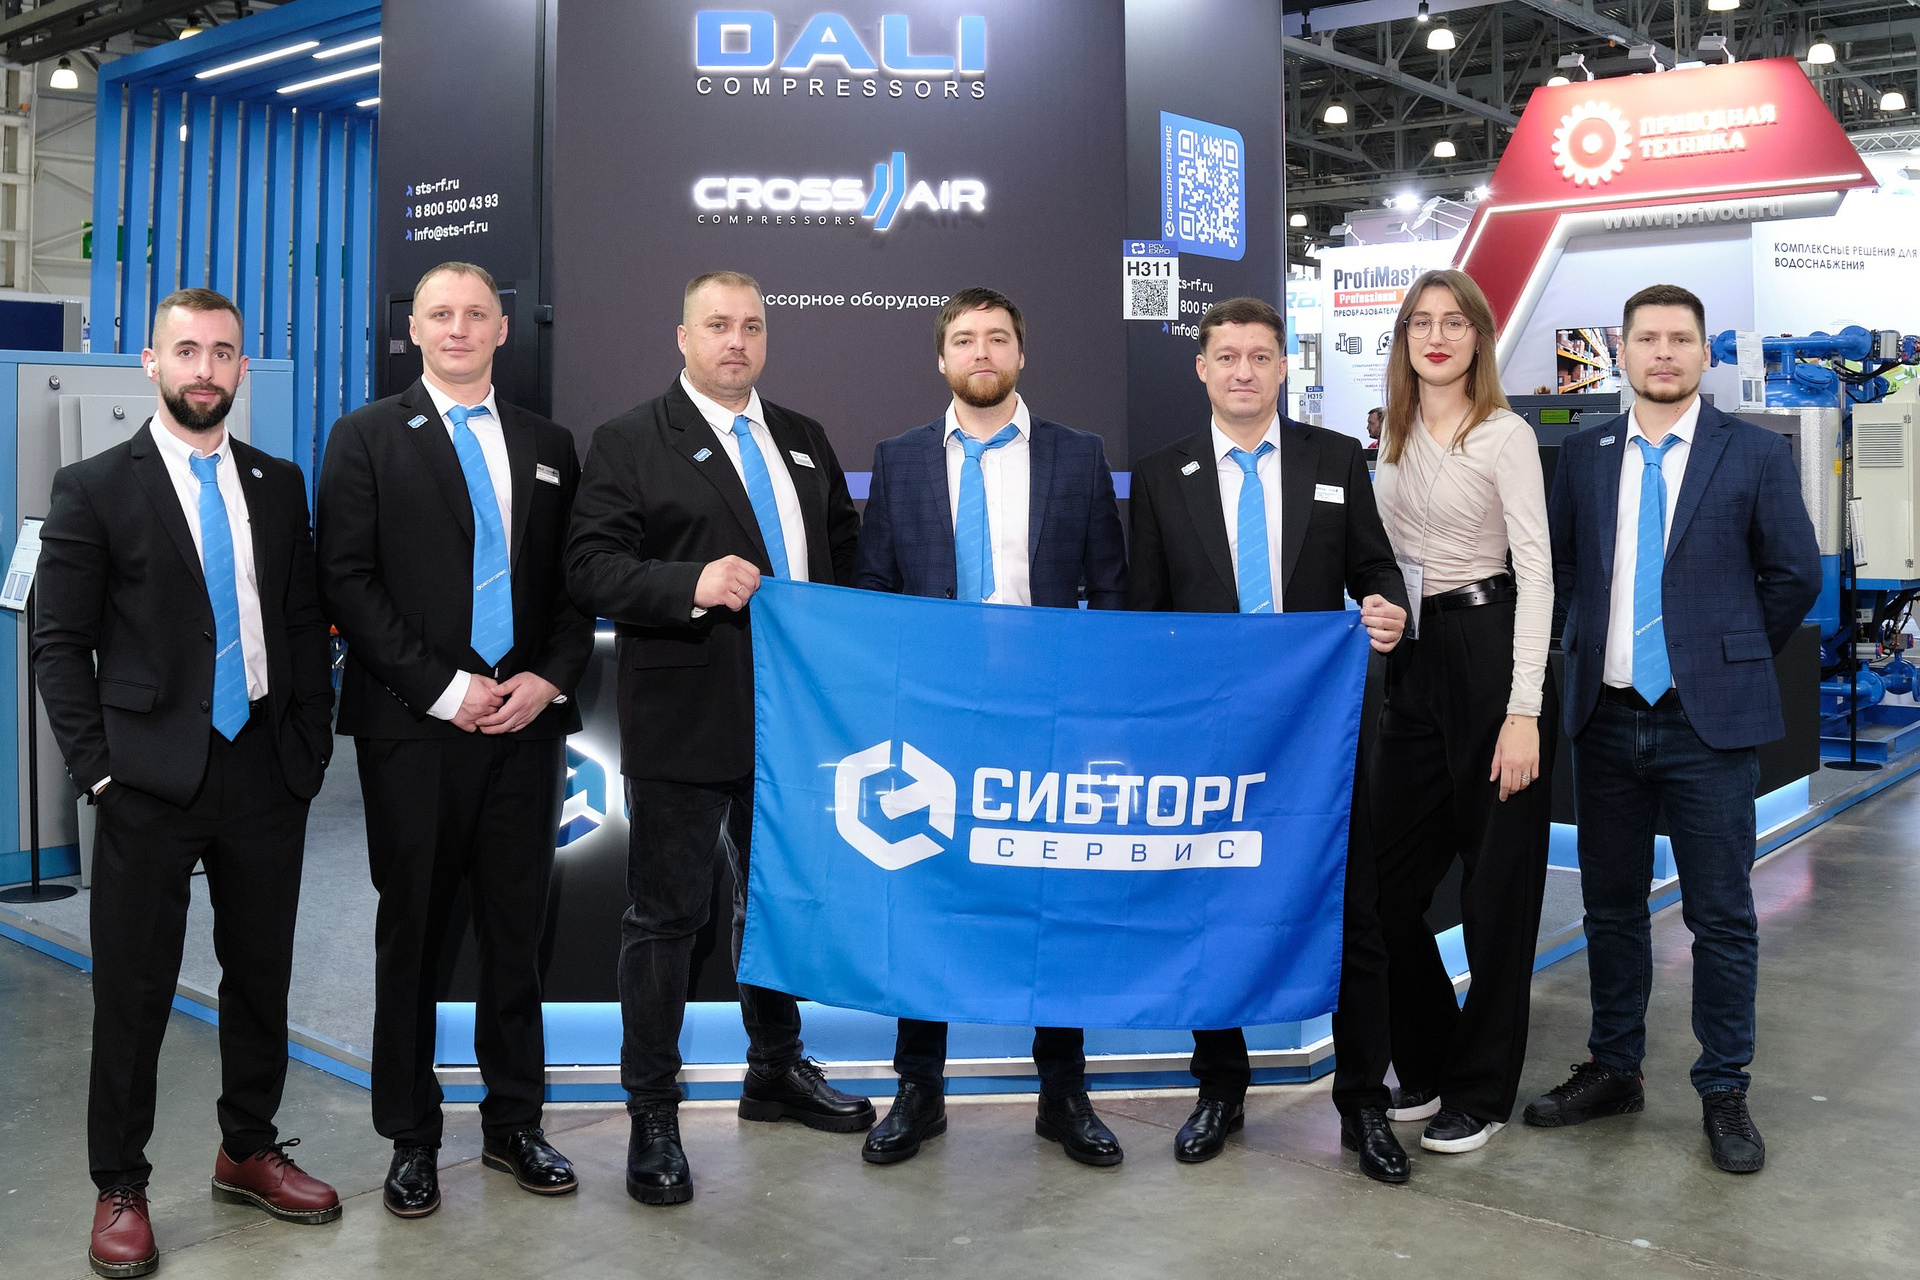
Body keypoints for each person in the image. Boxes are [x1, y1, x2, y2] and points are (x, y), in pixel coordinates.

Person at [35, 288, 341, 1278]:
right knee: (133, 988)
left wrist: (307, 746)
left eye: (222, 352)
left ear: (242, 366)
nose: (205, 368)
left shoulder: (279, 484)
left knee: (261, 973)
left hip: (264, 766)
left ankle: (247, 1147)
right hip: (146, 779)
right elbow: (58, 644)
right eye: (187, 350)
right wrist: (100, 773)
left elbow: (302, 622)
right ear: (152, 363)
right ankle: (120, 1183)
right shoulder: (94, 487)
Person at [567, 270, 870, 1207]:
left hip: (799, 720)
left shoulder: (803, 437)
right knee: (666, 919)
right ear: (683, 337)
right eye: (717, 326)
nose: (736, 341)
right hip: (688, 716)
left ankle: (774, 1068)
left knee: (773, 907)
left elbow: (847, 558)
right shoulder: (629, 439)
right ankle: (652, 1111)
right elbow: (590, 569)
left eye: (751, 326)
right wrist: (688, 584)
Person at [316, 262, 594, 1218]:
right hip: (414, 731)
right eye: (442, 313)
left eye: (477, 313)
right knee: (416, 937)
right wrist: (445, 689)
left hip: (525, 724)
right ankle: (413, 1137)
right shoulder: (363, 437)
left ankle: (515, 1123)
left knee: (517, 936)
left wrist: (550, 678)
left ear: (503, 329)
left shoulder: (549, 444)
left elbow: (573, 584)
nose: (460, 328)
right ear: (416, 329)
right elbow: (347, 580)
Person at [1526, 284, 1819, 1174]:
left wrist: (1725, 657)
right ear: (1621, 351)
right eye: (1647, 338)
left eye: (1680, 339)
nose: (1663, 352)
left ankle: (1723, 1087)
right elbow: (1564, 570)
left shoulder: (1752, 451)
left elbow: (1794, 573)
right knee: (1611, 907)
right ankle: (1616, 1068)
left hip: (1708, 725)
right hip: (1605, 717)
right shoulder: (1583, 455)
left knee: (1720, 915)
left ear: (1703, 353)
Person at [1126, 296, 1411, 1181]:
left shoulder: (1335, 458)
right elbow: (1145, 615)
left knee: (1352, 912)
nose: (1243, 371)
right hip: (1208, 738)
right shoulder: (1160, 475)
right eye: (1227, 356)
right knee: (1211, 912)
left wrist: (1385, 602)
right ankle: (1220, 1088)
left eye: (1260, 356)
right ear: (1202, 369)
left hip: (1316, 734)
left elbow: (1373, 563)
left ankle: (1363, 1103)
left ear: (1284, 368)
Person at [854, 286, 1129, 1167]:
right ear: (942, 358)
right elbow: (875, 592)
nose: (982, 352)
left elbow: (1111, 588)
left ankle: (1064, 1092)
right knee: (923, 895)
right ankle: (918, 1090)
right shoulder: (898, 459)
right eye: (966, 339)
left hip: (1045, 713)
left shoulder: (1078, 456)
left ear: (1021, 354)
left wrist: (1091, 704)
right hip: (932, 716)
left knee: (1053, 899)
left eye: (998, 338)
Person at [1367, 269, 1557, 1156]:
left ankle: (1481, 1090)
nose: (1436, 337)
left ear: (1479, 336)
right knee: (1380, 886)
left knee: (1495, 892)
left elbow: (1537, 574)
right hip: (1411, 660)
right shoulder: (1393, 432)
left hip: (1489, 652)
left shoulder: (1505, 433)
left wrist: (1524, 710)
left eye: (1453, 322)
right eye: (1421, 323)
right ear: (1404, 339)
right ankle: (1432, 1056)